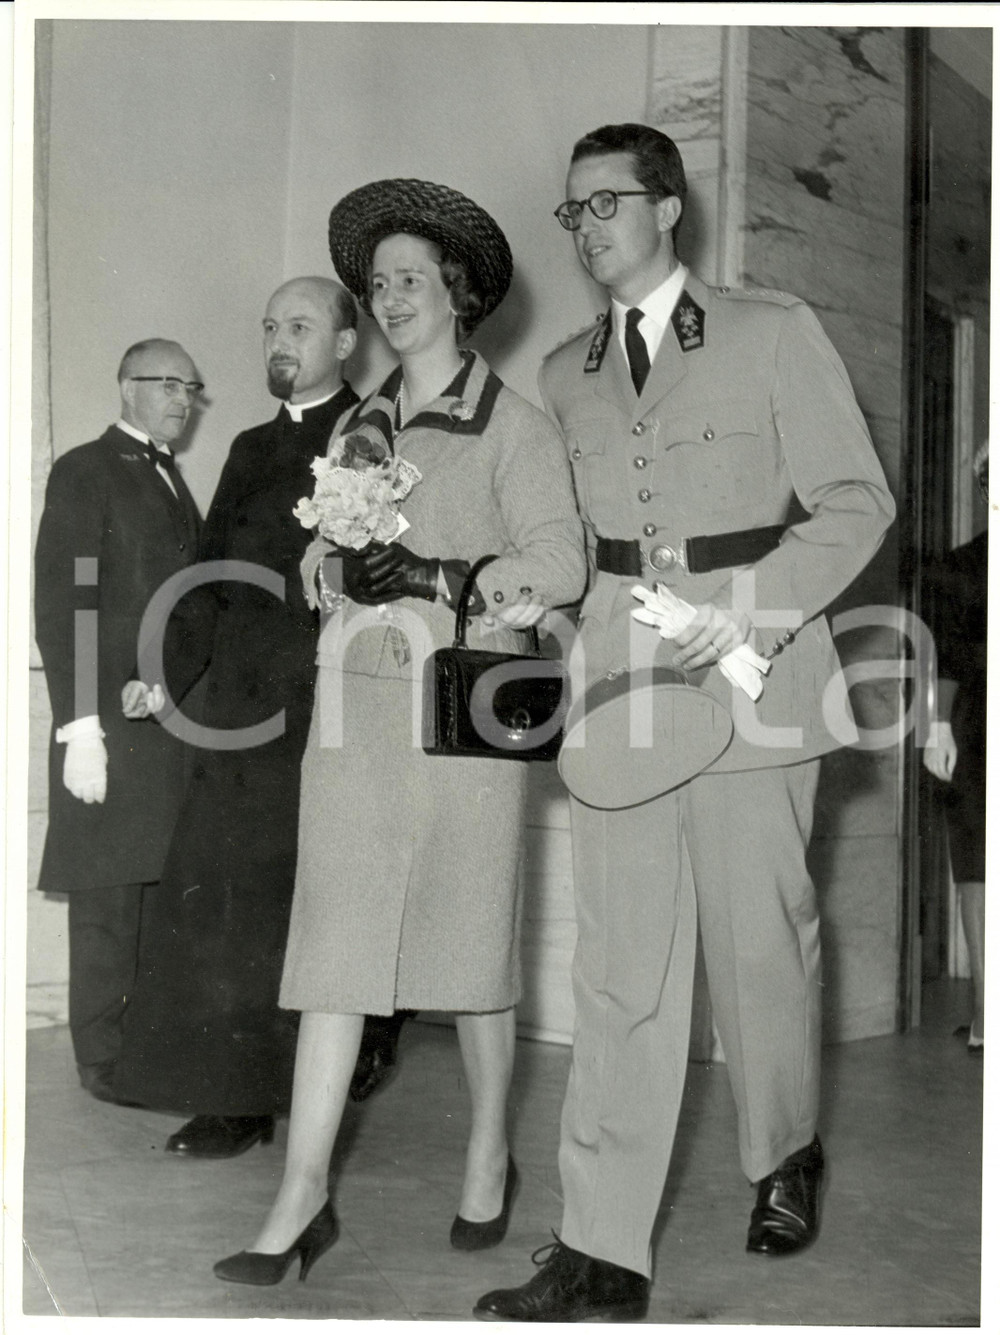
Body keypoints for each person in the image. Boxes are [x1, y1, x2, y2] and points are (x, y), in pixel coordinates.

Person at [474, 123, 896, 1322]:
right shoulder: (560, 375)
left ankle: (784, 1150)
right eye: (572, 210)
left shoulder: (771, 332)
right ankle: (601, 1248)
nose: (587, 225)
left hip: (754, 677)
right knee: (619, 970)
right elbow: (571, 546)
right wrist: (521, 586)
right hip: (622, 694)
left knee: (760, 943)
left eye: (606, 201)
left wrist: (742, 611)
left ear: (668, 209)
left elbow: (856, 501)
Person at [212, 178, 585, 1285]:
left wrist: (441, 573)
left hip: (464, 712)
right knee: (333, 946)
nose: (389, 299)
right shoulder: (356, 430)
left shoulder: (514, 426)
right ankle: (302, 1193)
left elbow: (560, 563)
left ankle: (485, 1152)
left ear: (459, 294)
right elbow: (316, 555)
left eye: (410, 280)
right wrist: (332, 566)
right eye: (377, 285)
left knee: (469, 955)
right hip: (356, 715)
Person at [115, 279, 410, 1155]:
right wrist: (164, 677)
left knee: (306, 903)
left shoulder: (378, 435)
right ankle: (234, 1095)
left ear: (348, 341)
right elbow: (207, 578)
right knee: (224, 901)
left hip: (330, 705)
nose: (280, 342)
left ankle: (349, 1054)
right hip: (240, 711)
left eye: (301, 326)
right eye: (271, 327)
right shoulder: (247, 445)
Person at [34, 338, 204, 1103]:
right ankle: (101, 1059)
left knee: (149, 896)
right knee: (106, 902)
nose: (179, 397)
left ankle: (135, 1048)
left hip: (161, 722)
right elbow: (65, 601)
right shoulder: (85, 469)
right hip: (104, 724)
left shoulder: (170, 479)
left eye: (189, 386)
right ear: (124, 388)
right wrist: (79, 727)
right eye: (163, 382)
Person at [923, 442, 988, 1055]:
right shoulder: (959, 568)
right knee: (977, 869)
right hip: (974, 731)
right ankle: (985, 1019)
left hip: (969, 727)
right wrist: (936, 727)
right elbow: (942, 656)